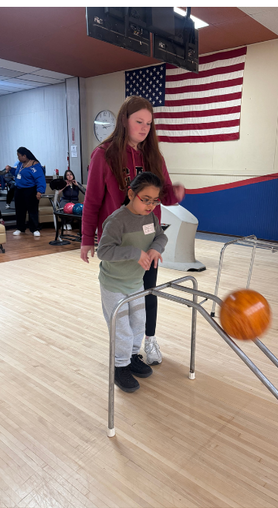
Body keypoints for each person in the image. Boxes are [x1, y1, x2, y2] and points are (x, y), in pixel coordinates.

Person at [81, 95, 185, 366]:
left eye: (149, 124)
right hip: (120, 239)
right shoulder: (104, 154)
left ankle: (146, 341)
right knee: (121, 298)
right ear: (124, 121)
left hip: (148, 235)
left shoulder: (153, 155)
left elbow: (165, 194)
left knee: (147, 293)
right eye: (138, 121)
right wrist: (85, 239)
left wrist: (175, 194)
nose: (144, 128)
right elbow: (92, 200)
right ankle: (122, 356)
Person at [97, 172, 167, 395]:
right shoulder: (117, 220)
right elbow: (103, 251)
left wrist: (157, 247)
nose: (150, 205)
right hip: (114, 284)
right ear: (131, 194)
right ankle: (120, 366)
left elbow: (161, 236)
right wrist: (134, 252)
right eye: (145, 199)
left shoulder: (151, 218)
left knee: (139, 322)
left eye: (155, 200)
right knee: (122, 328)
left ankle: (132, 357)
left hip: (135, 282)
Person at [5, 146, 45, 237]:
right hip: (19, 189)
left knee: (32, 210)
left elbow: (40, 179)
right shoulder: (20, 164)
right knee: (19, 210)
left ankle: (34, 229)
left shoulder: (35, 165)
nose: (18, 158)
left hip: (30, 190)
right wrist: (11, 169)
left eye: (19, 156)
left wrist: (40, 191)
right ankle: (20, 228)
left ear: (24, 156)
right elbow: (17, 173)